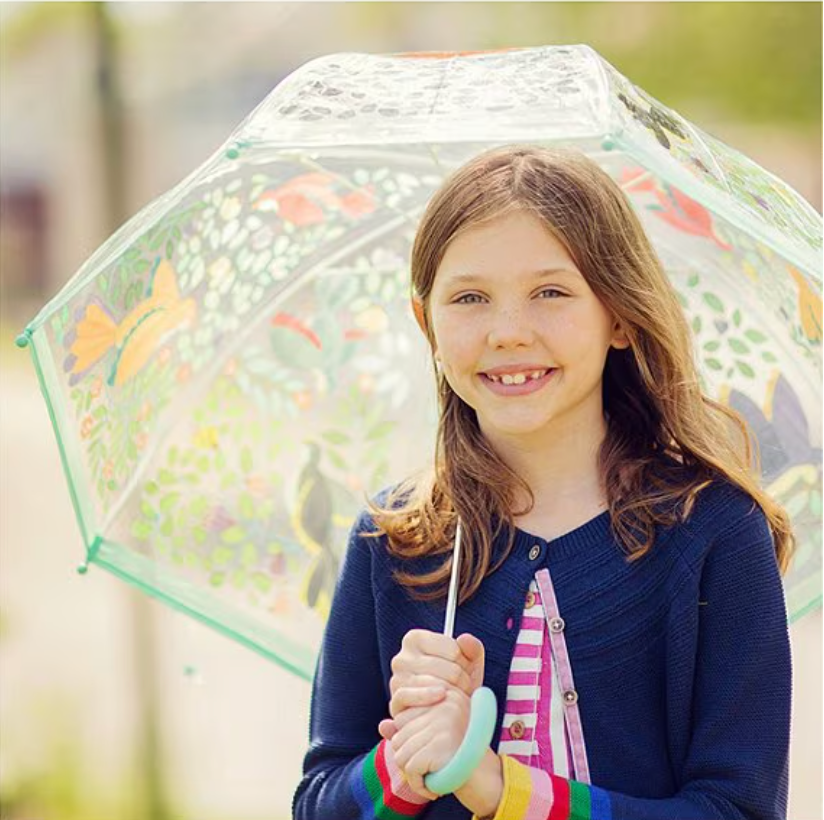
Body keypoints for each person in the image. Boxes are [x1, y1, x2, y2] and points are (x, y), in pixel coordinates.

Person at [292, 145, 794, 820]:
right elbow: (317, 806)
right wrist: (403, 766)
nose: (507, 332)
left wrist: (498, 786)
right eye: (469, 298)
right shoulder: (395, 541)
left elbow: (737, 809)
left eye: (550, 292)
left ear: (618, 314)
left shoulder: (713, 533)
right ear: (427, 324)